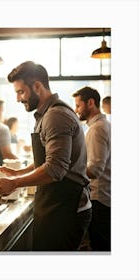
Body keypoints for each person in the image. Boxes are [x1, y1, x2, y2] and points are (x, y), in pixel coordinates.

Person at [0, 61, 92, 251]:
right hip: (58, 204)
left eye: (21, 92)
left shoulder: (56, 116)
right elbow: (47, 159)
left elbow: (55, 169)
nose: (18, 98)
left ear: (37, 86)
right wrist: (18, 172)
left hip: (66, 208)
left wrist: (14, 183)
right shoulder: (46, 114)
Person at [72, 86, 111, 251]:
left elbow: (95, 169)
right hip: (103, 196)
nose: (76, 110)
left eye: (78, 105)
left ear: (90, 103)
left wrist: (70, 172)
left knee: (100, 247)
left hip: (99, 198)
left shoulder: (97, 129)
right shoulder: (104, 125)